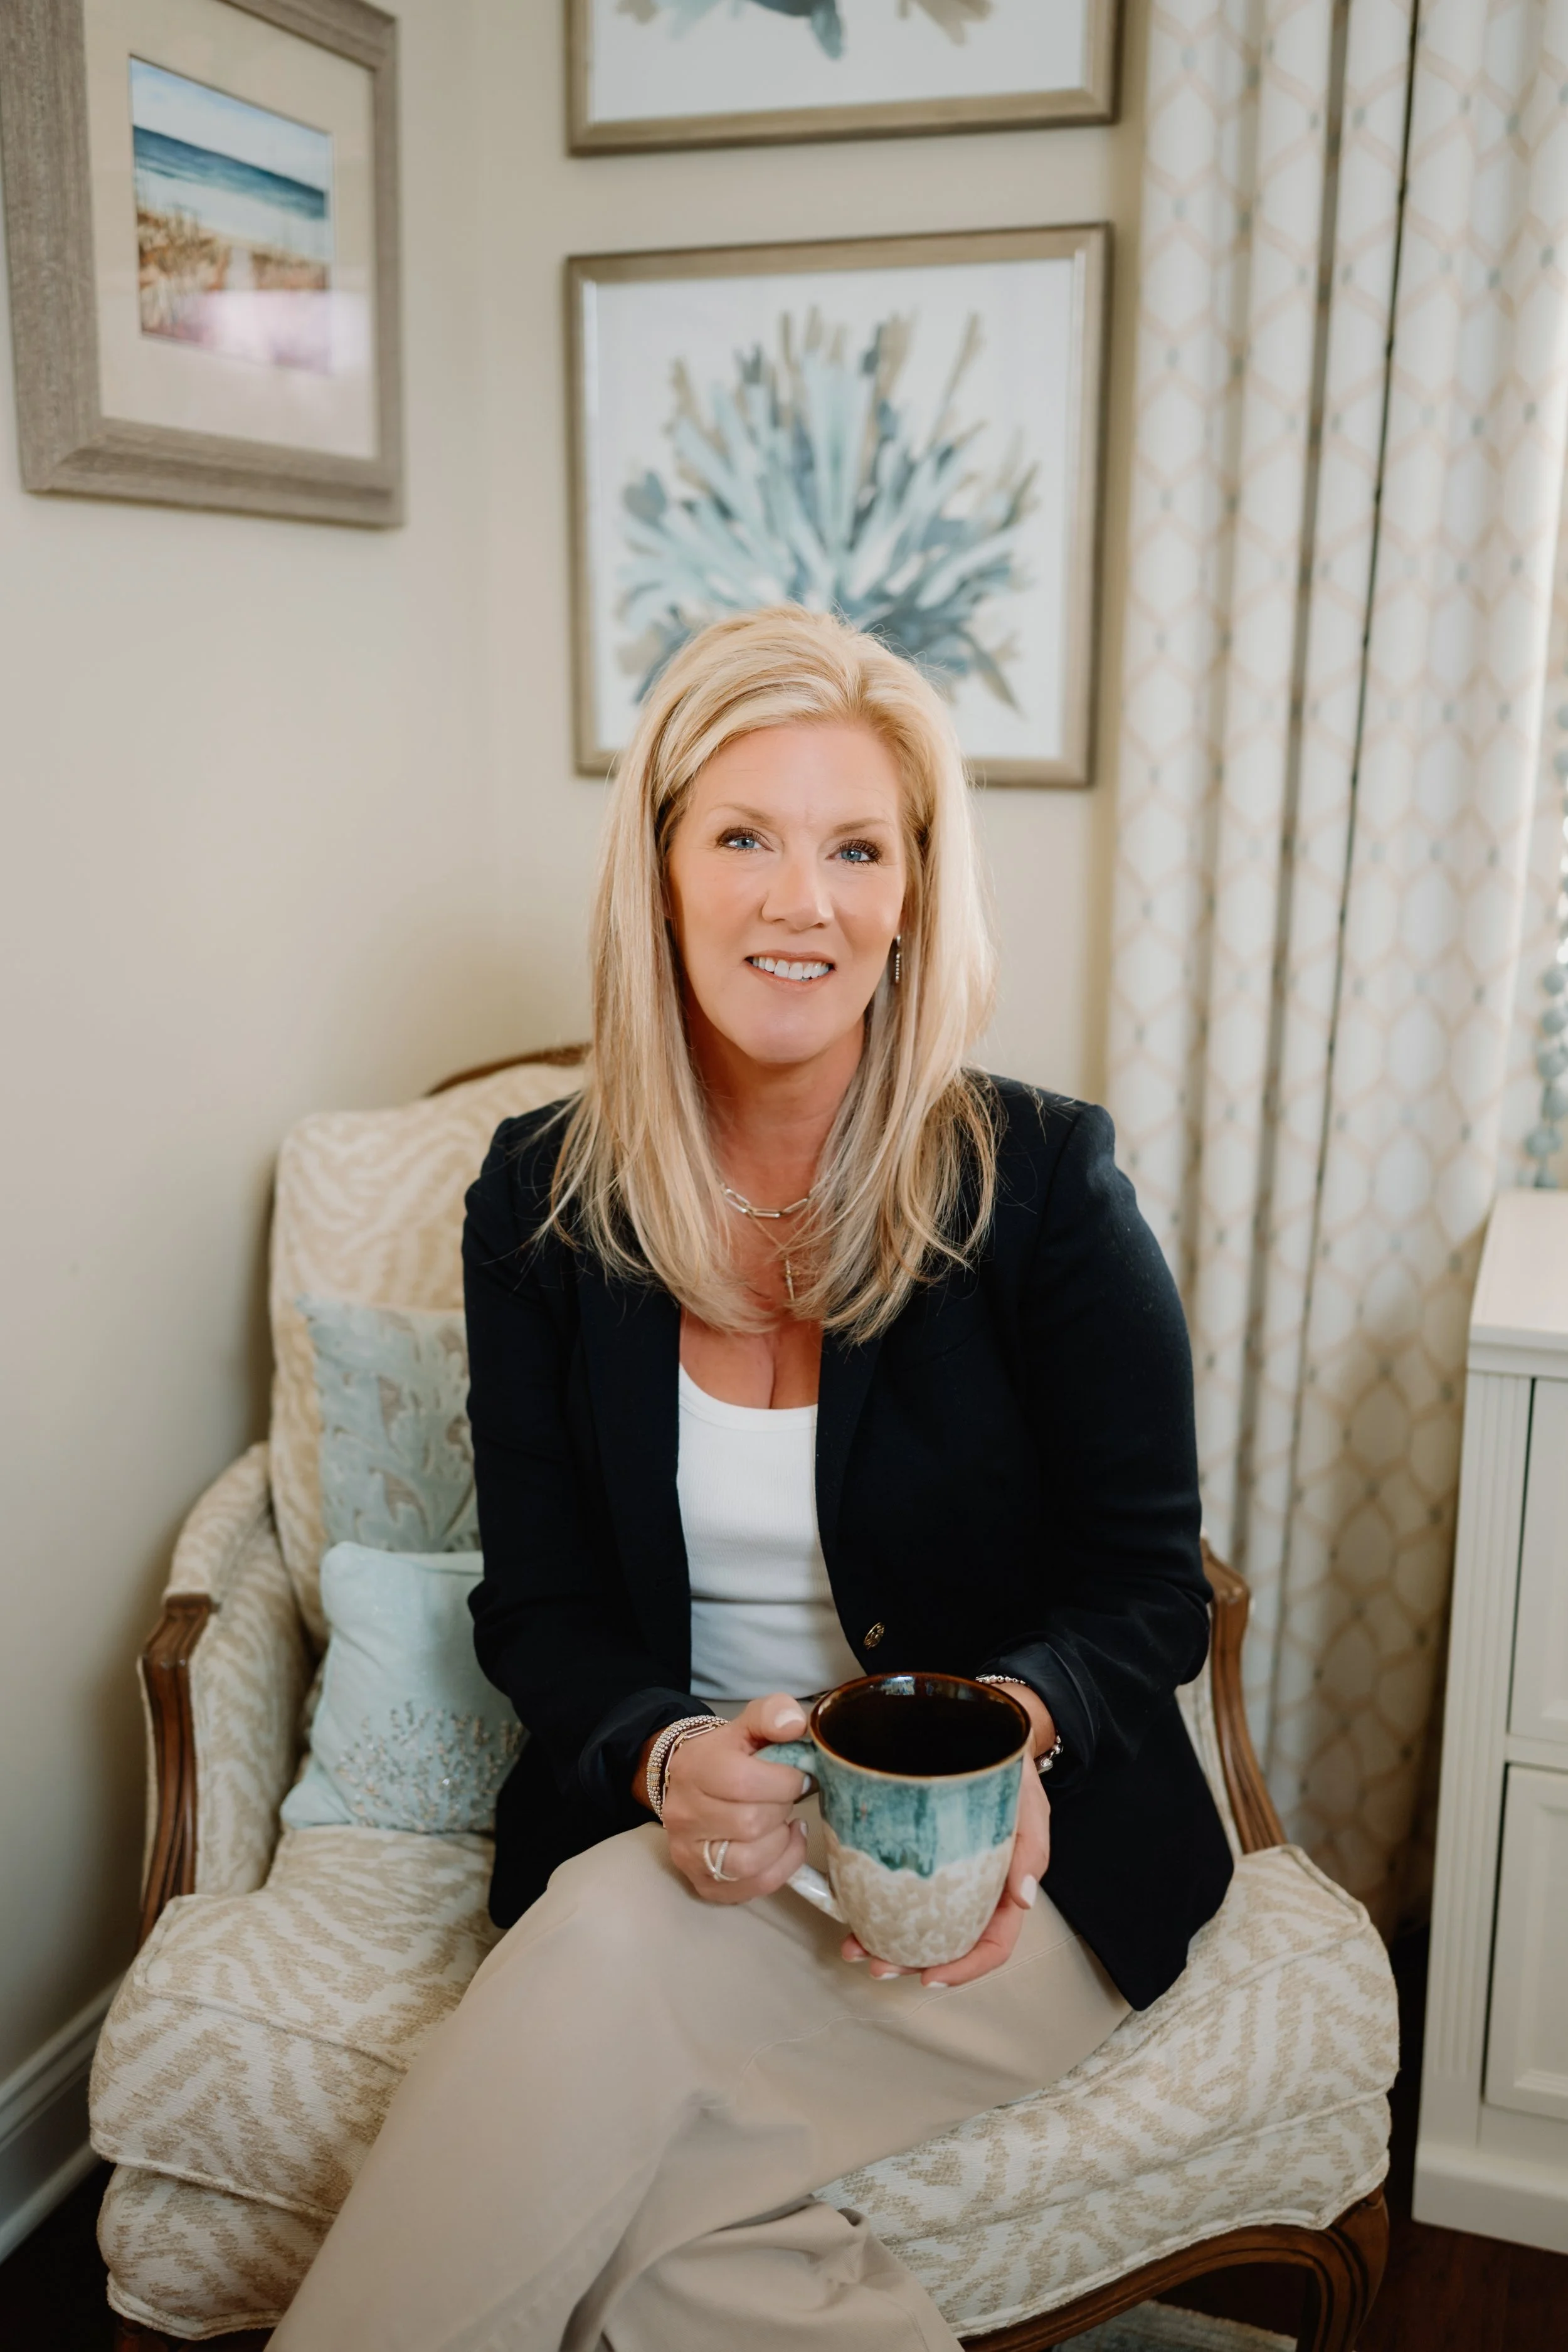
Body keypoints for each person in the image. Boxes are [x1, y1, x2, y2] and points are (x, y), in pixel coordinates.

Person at [271, 607, 1234, 2352]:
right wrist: (658, 1751)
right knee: (659, 2212)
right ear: (658, 873)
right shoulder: (539, 1199)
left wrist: (1012, 1729)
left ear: (910, 898)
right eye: (743, 836)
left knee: (591, 1962)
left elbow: (1149, 1587)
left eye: (854, 846)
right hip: (684, 1840)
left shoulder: (1044, 1183)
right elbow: (542, 1603)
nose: (802, 900)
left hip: (995, 1880)